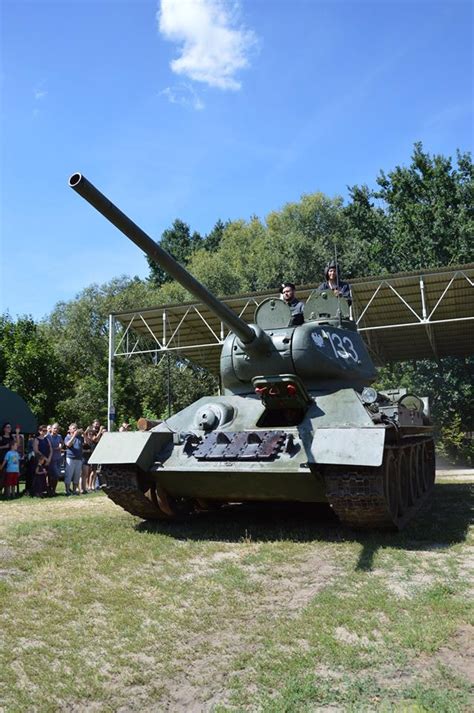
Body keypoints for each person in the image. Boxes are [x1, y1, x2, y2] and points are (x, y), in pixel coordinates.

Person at [64, 423, 84, 496]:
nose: (75, 429)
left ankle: (74, 490)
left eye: (76, 428)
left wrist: (84, 433)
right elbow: (68, 444)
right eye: (73, 428)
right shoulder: (68, 437)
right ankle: (67, 490)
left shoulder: (80, 437)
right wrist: (74, 436)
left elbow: (86, 443)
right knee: (69, 475)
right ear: (70, 430)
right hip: (70, 458)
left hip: (79, 458)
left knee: (77, 475)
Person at [47, 423, 63, 496]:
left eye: (57, 428)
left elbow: (62, 443)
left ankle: (54, 490)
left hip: (58, 458)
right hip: (51, 458)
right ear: (51, 429)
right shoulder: (48, 436)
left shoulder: (59, 436)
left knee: (57, 475)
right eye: (54, 428)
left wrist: (60, 445)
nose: (55, 430)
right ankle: (49, 489)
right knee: (52, 475)